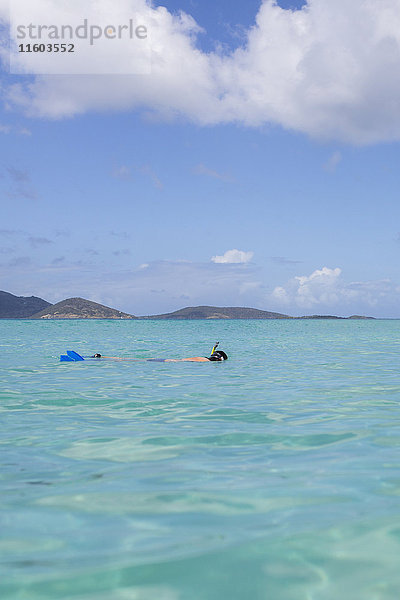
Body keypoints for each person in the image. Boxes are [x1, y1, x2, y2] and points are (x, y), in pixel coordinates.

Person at [90, 345, 228, 362]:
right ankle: (100, 357)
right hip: (171, 362)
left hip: (170, 361)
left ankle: (100, 357)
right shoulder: (206, 361)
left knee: (129, 359)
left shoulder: (205, 360)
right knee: (130, 359)